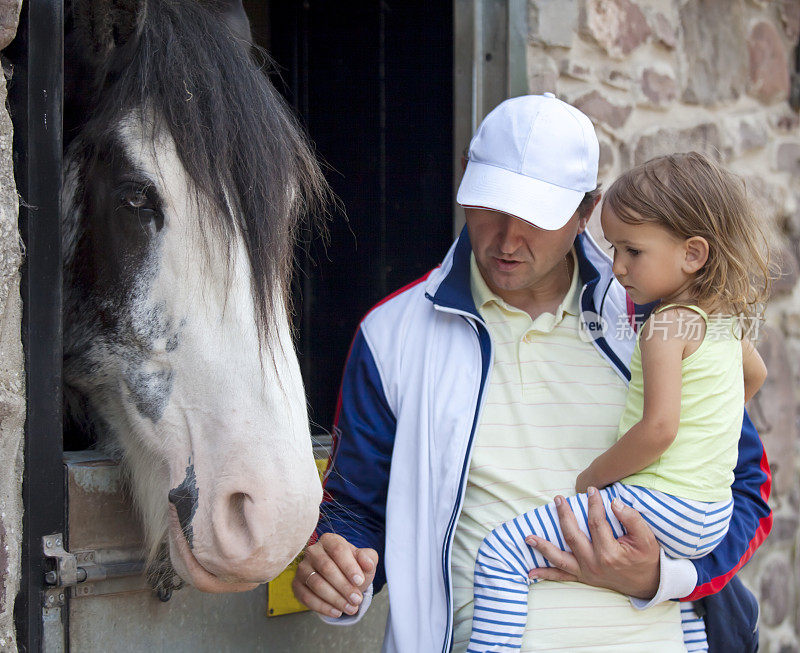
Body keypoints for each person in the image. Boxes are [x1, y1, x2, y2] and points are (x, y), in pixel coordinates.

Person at [292, 94, 772, 652]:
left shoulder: (656, 317)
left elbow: (744, 489)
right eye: (491, 206)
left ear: (584, 213)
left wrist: (658, 577)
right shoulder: (391, 334)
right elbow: (355, 511)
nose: (507, 239)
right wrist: (338, 568)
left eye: (536, 218)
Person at [466, 152, 771, 653]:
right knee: (684, 606)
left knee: (501, 553)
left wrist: (595, 477)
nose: (618, 267)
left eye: (632, 251)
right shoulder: (725, 322)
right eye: (613, 248)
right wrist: (711, 428)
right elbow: (753, 376)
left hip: (663, 504)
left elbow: (658, 430)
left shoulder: (662, 327)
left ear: (693, 253)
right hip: (711, 515)